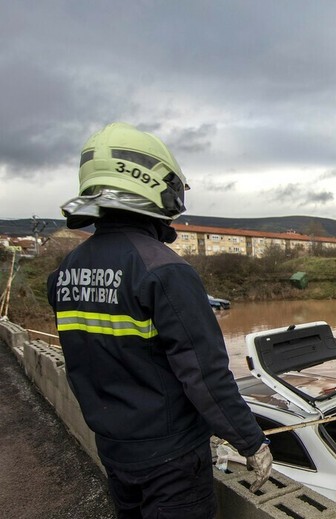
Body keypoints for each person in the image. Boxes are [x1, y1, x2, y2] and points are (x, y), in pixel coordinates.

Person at [47, 122, 272, 518]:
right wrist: (250, 441)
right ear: (154, 184)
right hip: (171, 460)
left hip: (115, 447)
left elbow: (90, 358)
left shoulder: (67, 269)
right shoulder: (165, 271)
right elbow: (206, 374)